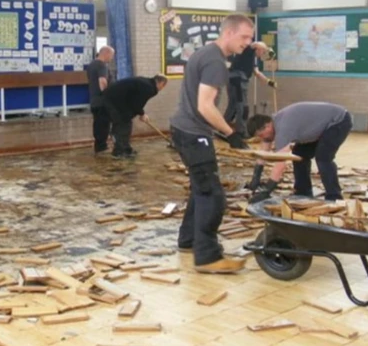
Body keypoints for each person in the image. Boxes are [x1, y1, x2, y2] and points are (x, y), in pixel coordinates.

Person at [169, 14, 253, 274]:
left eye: (250, 38)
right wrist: (231, 133)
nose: (247, 43)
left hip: (184, 128)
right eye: (244, 37)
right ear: (228, 33)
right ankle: (207, 257)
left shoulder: (204, 53)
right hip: (194, 133)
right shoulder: (215, 61)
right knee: (212, 194)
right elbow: (205, 106)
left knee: (200, 187)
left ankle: (189, 240)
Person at [246, 102, 352, 203]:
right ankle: (303, 192)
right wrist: (255, 178)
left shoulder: (284, 129)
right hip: (324, 125)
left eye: (261, 135)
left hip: (339, 121)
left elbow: (280, 163)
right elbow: (264, 151)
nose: (261, 139)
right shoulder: (275, 123)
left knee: (323, 158)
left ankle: (334, 197)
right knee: (299, 154)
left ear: (267, 126)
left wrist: (267, 191)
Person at [103, 74, 168, 159]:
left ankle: (126, 149)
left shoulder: (147, 84)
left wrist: (140, 113)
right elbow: (137, 103)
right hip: (113, 101)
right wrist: (142, 114)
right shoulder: (149, 88)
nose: (162, 89)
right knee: (121, 124)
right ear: (161, 83)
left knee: (126, 122)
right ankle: (118, 152)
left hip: (119, 100)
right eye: (163, 86)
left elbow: (135, 101)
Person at [224, 41, 277, 136]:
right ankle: (241, 132)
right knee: (243, 107)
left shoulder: (253, 60)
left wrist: (269, 82)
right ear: (258, 49)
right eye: (262, 52)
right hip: (237, 80)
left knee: (233, 107)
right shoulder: (248, 51)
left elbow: (257, 73)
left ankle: (222, 127)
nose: (262, 54)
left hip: (237, 81)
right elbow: (256, 44)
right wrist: (268, 49)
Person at [87, 46, 115, 154]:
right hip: (102, 102)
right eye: (111, 55)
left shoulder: (91, 65)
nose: (111, 58)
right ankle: (102, 149)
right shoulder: (101, 65)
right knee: (103, 126)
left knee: (98, 124)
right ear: (106, 53)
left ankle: (99, 147)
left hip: (94, 100)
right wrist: (108, 96)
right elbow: (102, 81)